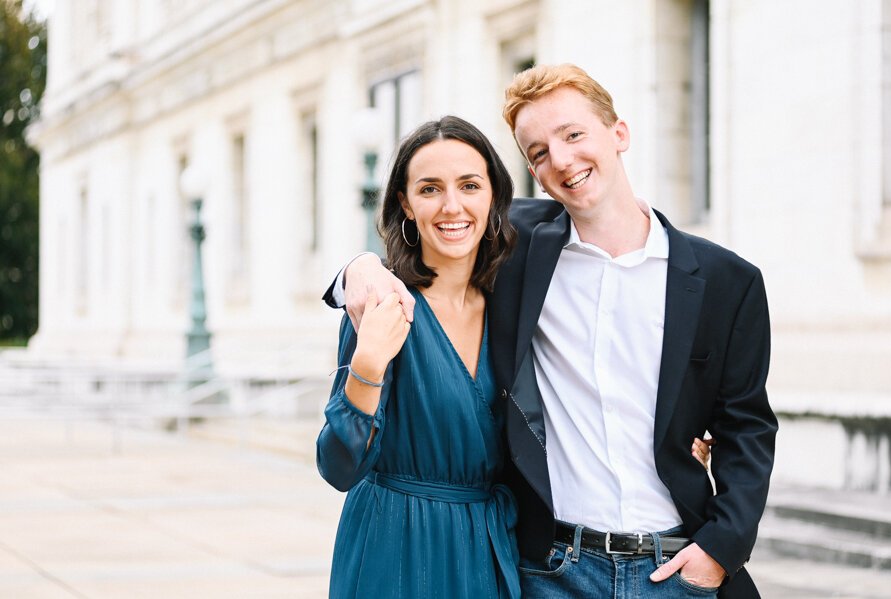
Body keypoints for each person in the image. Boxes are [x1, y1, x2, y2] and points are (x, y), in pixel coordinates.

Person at [330, 64, 776, 598]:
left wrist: (720, 549)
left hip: (675, 567)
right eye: (538, 152)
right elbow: (439, 227)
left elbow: (747, 426)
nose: (561, 160)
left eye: (573, 134)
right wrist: (357, 268)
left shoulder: (727, 281)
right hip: (553, 570)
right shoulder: (518, 251)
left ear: (619, 133)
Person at [316, 116, 522, 598]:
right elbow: (338, 467)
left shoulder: (512, 304)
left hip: (488, 551)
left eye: (469, 185)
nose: (453, 206)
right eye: (430, 189)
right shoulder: (382, 304)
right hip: (395, 548)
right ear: (405, 204)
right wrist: (367, 366)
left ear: (492, 195)